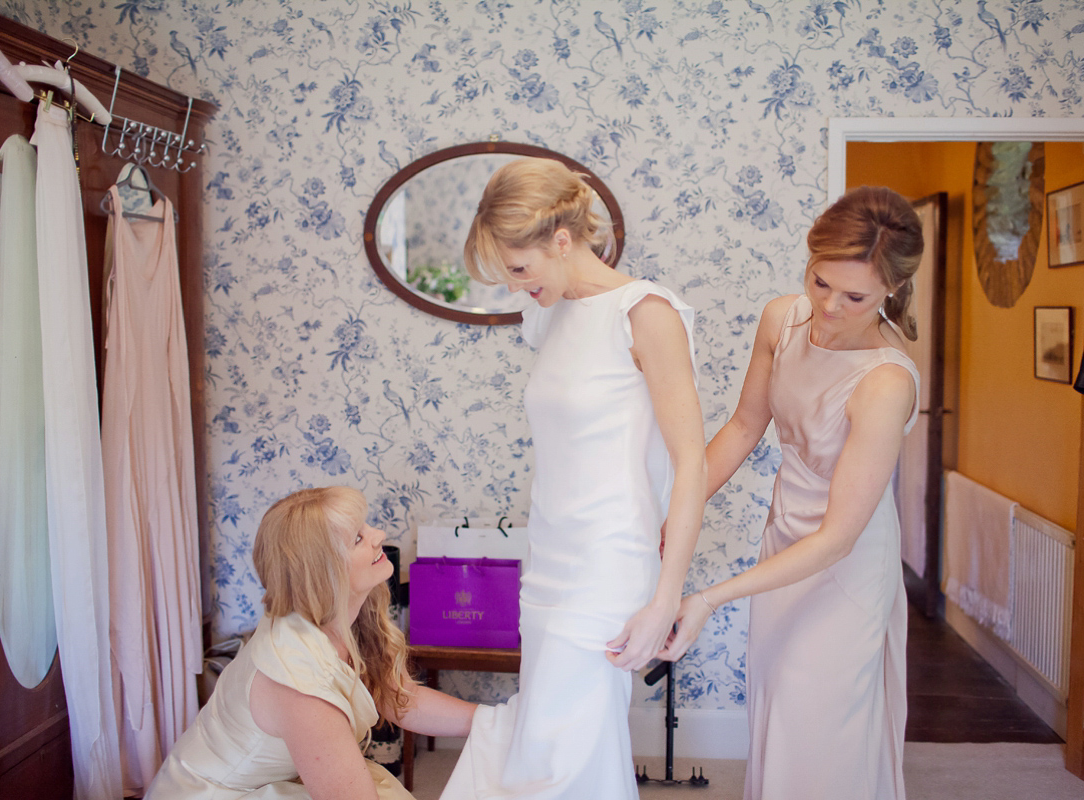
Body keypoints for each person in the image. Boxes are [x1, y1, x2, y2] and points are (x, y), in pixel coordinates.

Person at [440, 157, 706, 800]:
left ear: (563, 241)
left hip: (611, 558)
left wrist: (666, 598)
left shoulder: (647, 313)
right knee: (552, 741)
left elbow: (691, 462)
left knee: (566, 753)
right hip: (550, 554)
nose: (515, 288)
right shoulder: (548, 313)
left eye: (520, 270)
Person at [660, 186, 924, 800]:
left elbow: (837, 539)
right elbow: (745, 427)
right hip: (783, 542)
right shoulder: (783, 319)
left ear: (892, 289)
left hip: (845, 562)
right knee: (778, 710)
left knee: (823, 728)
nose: (829, 306)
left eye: (854, 296)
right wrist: (676, 504)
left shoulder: (885, 384)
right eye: (820, 281)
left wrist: (709, 598)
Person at [146, 486, 476, 799]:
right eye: (358, 538)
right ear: (323, 573)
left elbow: (399, 698)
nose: (379, 535)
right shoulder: (298, 678)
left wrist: (496, 722)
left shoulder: (342, 618)